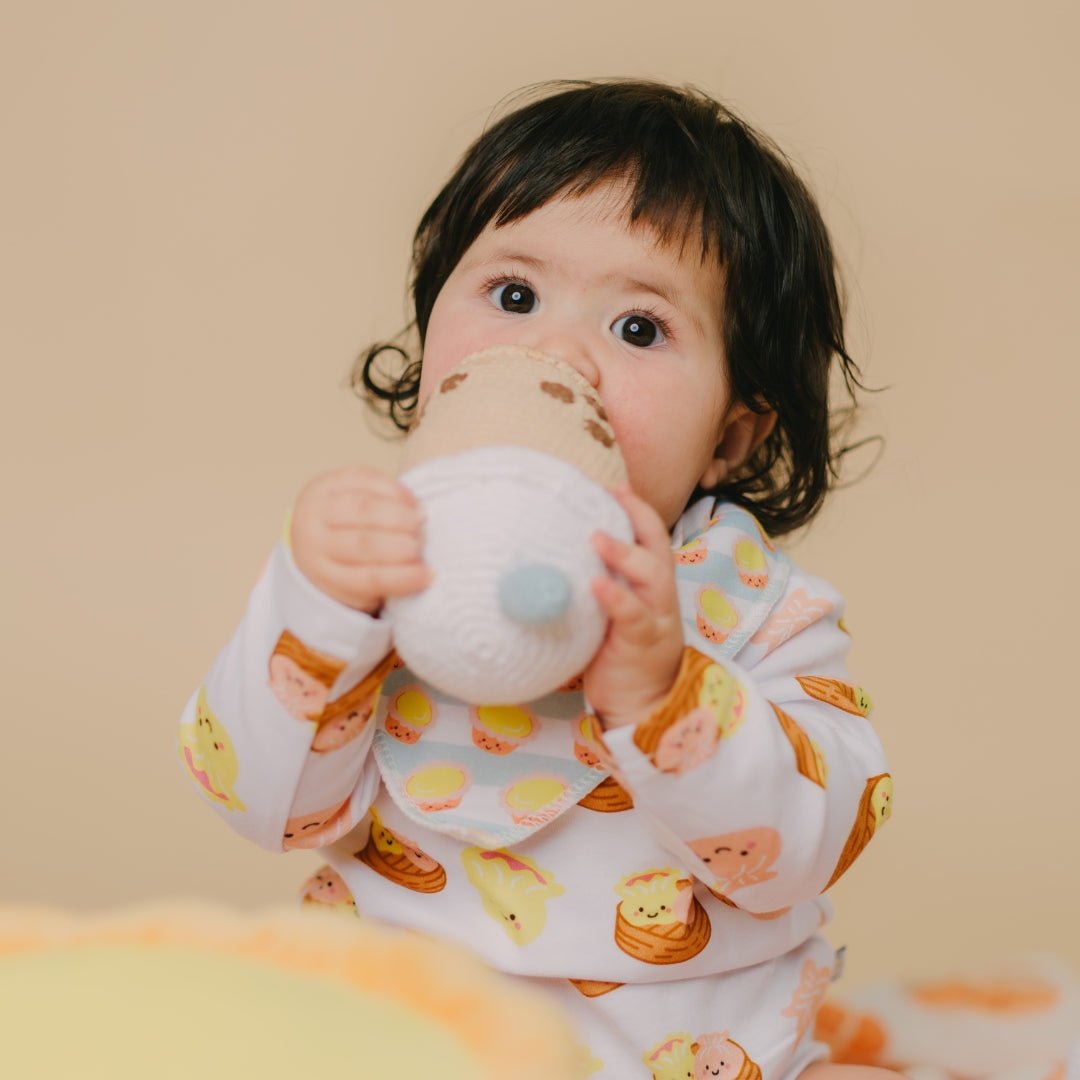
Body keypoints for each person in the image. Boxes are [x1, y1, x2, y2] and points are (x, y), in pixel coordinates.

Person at [179, 79, 897, 1080]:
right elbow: (263, 803)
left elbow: (808, 846)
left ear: (731, 435)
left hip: (683, 1050)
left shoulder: (759, 613)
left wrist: (669, 697)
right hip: (400, 1033)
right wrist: (318, 611)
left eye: (638, 329)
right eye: (513, 298)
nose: (555, 351)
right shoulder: (381, 558)